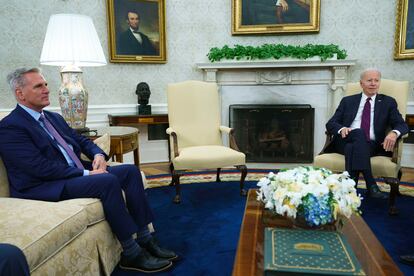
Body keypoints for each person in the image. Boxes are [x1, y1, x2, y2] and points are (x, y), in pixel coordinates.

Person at [0, 68, 177, 273]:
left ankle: (146, 239)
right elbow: (39, 168)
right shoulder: (10, 127)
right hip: (43, 186)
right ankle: (131, 253)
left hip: (69, 173)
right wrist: (86, 174)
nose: (46, 89)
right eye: (39, 86)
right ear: (20, 93)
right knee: (106, 181)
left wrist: (99, 156)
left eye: (46, 84)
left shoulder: (52, 117)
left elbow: (81, 140)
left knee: (130, 171)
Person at [324, 68, 409, 199]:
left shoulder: (388, 102)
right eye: (369, 80)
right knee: (357, 133)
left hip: (371, 145)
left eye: (376, 80)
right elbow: (331, 123)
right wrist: (342, 129)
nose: (373, 83)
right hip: (345, 139)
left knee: (352, 147)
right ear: (361, 83)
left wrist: (394, 133)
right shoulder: (348, 101)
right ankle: (371, 184)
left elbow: (402, 124)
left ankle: (350, 186)